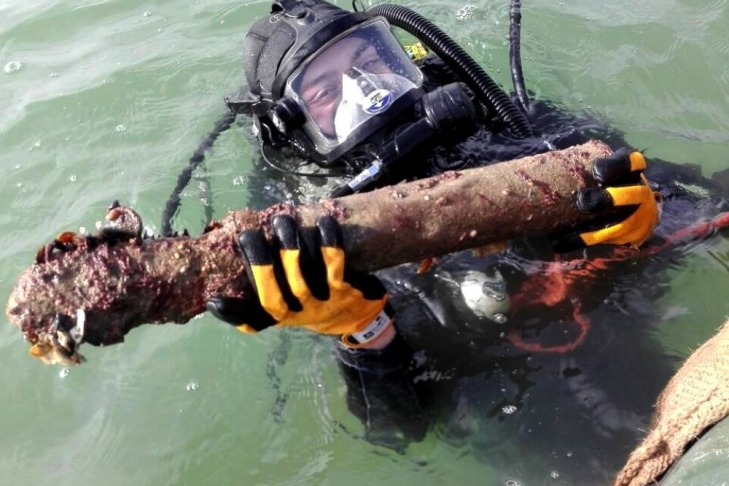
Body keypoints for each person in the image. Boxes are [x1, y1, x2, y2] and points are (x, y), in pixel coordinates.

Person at [203, 0, 722, 462]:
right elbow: (400, 430)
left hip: (614, 335)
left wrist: (647, 219)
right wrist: (363, 332)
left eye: (369, 61)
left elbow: (694, 198)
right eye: (324, 91)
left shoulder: (492, 120)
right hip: (512, 412)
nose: (366, 91)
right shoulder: (308, 242)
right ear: (292, 128)